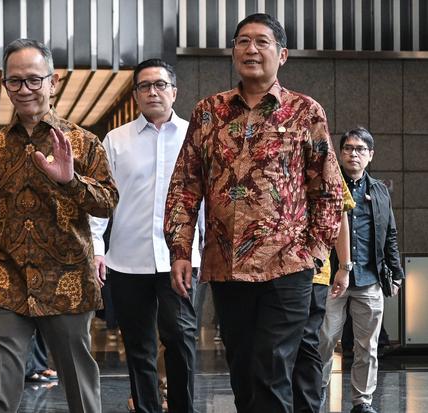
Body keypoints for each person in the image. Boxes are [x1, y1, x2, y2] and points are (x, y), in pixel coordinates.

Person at [164, 13, 343, 413]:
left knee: (271, 368)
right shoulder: (208, 112)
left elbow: (328, 189)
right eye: (243, 41)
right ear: (233, 52)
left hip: (288, 266)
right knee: (243, 373)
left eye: (262, 41)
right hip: (225, 266)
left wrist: (314, 251)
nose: (251, 49)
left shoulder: (305, 111)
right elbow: (185, 186)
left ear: (282, 54)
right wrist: (180, 250)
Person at [0, 38, 118, 413]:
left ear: (53, 82)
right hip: (6, 283)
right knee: (0, 393)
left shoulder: (83, 142)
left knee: (81, 389)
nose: (24, 89)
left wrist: (71, 181)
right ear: (5, 85)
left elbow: (108, 202)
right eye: (14, 81)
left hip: (68, 282)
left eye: (34, 80)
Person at [90, 58, 203, 413]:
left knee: (180, 338)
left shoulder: (194, 136)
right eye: (144, 86)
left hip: (179, 260)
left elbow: (206, 199)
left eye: (160, 84)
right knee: (138, 346)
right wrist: (96, 248)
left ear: (174, 92)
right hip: (127, 259)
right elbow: (101, 200)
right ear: (136, 94)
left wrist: (206, 247)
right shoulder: (116, 140)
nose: (153, 92)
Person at [318, 127, 404, 413]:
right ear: (340, 153)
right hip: (331, 279)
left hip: (369, 278)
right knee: (324, 339)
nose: (353, 154)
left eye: (360, 149)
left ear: (370, 155)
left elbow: (390, 234)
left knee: (367, 346)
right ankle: (316, 393)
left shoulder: (379, 191)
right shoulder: (328, 186)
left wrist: (396, 272)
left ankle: (362, 401)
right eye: (348, 148)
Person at [292, 178, 355, 413]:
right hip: (275, 272)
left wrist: (345, 266)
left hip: (314, 271)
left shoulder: (325, 164)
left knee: (309, 343)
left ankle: (309, 406)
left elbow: (340, 212)